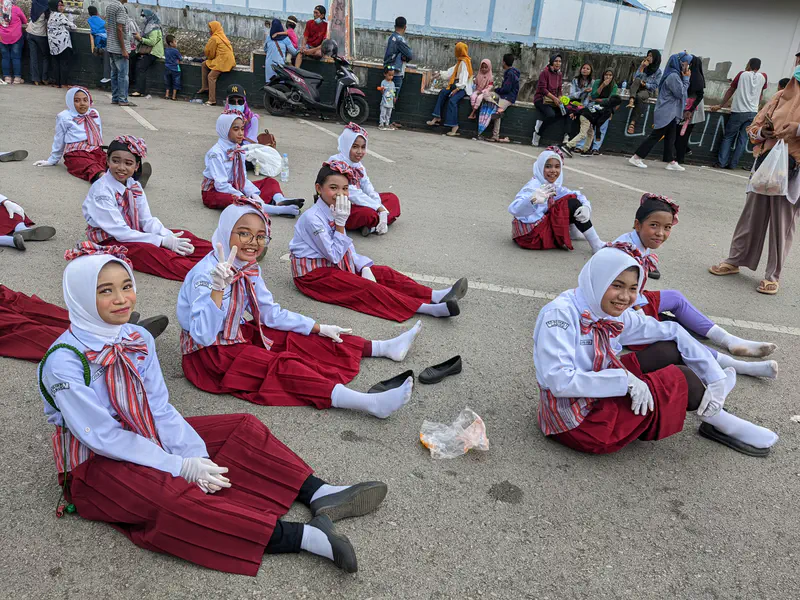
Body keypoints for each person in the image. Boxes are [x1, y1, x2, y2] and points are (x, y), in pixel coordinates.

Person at [40, 244, 389, 575]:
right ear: (82, 296)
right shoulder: (64, 362)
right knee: (171, 499)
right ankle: (305, 537)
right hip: (94, 464)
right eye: (105, 291)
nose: (121, 299)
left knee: (240, 429)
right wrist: (178, 466)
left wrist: (192, 453)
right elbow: (102, 437)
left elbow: (159, 408)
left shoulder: (136, 337)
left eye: (126, 285)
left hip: (145, 429)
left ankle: (318, 493)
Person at [179, 199, 420, 417]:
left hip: (236, 333)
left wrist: (317, 327)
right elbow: (203, 335)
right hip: (210, 355)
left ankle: (381, 348)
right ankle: (367, 403)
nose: (253, 243)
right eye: (243, 234)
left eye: (261, 236)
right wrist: (217, 289)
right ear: (224, 232)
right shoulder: (207, 275)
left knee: (299, 337)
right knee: (281, 367)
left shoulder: (247, 267)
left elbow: (270, 313)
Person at [533, 245, 779, 456]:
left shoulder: (603, 307)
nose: (625, 297)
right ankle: (718, 419)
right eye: (616, 285)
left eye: (632, 288)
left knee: (667, 350)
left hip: (599, 386)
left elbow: (672, 330)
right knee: (681, 378)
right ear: (597, 280)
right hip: (577, 421)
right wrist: (625, 381)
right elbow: (559, 381)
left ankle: (712, 400)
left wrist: (715, 375)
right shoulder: (561, 315)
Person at [612, 196, 778, 380]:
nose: (660, 233)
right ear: (637, 224)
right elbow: (617, 295)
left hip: (631, 301)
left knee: (675, 297)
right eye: (654, 225)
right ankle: (739, 366)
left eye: (667, 228)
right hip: (618, 315)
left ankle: (730, 340)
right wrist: (643, 318)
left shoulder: (637, 243)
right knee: (675, 335)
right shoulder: (626, 252)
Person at [290, 161, 467, 322]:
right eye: (334, 188)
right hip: (313, 276)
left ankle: (435, 295)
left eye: (345, 189)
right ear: (319, 189)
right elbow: (335, 255)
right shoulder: (312, 218)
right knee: (365, 287)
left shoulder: (336, 209)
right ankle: (428, 309)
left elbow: (347, 248)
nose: (340, 194)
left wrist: (363, 266)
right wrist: (341, 224)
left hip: (334, 264)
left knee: (383, 273)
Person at [709, 51, 800, 295]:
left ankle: (773, 276)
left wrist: (797, 129)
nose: (798, 66)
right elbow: (754, 127)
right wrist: (763, 134)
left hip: (793, 170)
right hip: (767, 164)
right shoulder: (780, 96)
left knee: (782, 223)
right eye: (798, 60)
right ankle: (735, 260)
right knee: (751, 216)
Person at [82, 136, 214, 282]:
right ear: (107, 161)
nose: (121, 167)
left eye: (128, 163)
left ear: (137, 166)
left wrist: (167, 235)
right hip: (111, 240)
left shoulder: (134, 185)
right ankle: (209, 274)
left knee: (184, 237)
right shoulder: (101, 191)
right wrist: (162, 242)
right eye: (115, 161)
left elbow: (146, 220)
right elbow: (120, 232)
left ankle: (223, 256)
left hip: (133, 232)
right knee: (152, 253)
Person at [201, 112, 301, 217]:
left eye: (242, 129)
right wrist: (243, 195)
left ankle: (279, 200)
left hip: (235, 185)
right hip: (214, 191)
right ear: (224, 130)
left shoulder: (238, 150)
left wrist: (253, 193)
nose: (240, 133)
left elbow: (242, 178)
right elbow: (220, 185)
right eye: (236, 129)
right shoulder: (215, 153)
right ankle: (276, 210)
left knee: (269, 181)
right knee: (238, 200)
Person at [508, 148, 605, 253]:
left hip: (531, 232)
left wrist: (586, 207)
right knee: (571, 203)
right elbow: (514, 209)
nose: (553, 170)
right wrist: (532, 199)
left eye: (557, 166)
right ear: (540, 167)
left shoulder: (551, 185)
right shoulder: (533, 186)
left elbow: (575, 195)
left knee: (571, 198)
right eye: (548, 166)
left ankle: (574, 232)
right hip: (531, 236)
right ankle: (596, 244)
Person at [328, 123, 400, 236]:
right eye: (355, 146)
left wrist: (378, 204)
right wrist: (379, 208)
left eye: (363, 147)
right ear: (346, 145)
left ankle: (372, 225)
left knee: (392, 199)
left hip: (361, 202)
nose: (360, 151)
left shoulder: (358, 165)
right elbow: (352, 193)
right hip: (342, 207)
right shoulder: (337, 164)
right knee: (367, 214)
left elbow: (367, 186)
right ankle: (374, 224)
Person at [628, 51, 692, 171]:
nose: (687, 66)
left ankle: (671, 161)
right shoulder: (673, 76)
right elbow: (680, 93)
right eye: (685, 63)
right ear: (679, 63)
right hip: (667, 111)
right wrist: (686, 79)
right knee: (656, 135)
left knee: (670, 137)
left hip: (671, 112)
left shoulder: (675, 75)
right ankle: (637, 157)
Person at [33, 87, 107, 183]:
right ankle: (104, 179)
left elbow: (98, 133)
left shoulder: (94, 113)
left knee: (110, 162)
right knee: (89, 166)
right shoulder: (64, 117)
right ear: (70, 102)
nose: (82, 103)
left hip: (94, 150)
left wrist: (99, 149)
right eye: (77, 100)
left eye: (85, 100)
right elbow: (59, 139)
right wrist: (53, 160)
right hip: (75, 153)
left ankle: (129, 177)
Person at [711, 58, 768, 170]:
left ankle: (721, 162)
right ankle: (733, 164)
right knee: (743, 140)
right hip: (753, 112)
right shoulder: (763, 77)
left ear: (749, 64)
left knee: (728, 137)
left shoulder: (742, 74)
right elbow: (760, 95)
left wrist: (721, 105)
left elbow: (731, 90)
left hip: (739, 112)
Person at [426, 42, 473, 137]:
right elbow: (450, 72)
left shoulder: (465, 63)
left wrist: (456, 89)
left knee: (452, 100)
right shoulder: (460, 62)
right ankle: (437, 117)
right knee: (443, 92)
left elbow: (464, 80)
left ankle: (454, 126)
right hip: (455, 85)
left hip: (462, 88)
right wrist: (439, 74)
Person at [674, 55, 706, 165]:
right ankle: (683, 152)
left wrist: (690, 110)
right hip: (686, 108)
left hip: (693, 110)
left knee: (683, 135)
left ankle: (680, 158)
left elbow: (700, 95)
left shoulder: (697, 77)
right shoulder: (686, 74)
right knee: (678, 134)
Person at [532, 53, 567, 147]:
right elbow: (542, 89)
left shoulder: (559, 74)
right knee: (551, 114)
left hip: (552, 101)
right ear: (551, 62)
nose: (558, 63)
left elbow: (559, 89)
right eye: (556, 61)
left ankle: (565, 137)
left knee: (564, 112)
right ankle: (537, 134)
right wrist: (554, 98)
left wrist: (559, 98)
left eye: (560, 61)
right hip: (541, 99)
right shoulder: (545, 72)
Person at [383, 16, 412, 126]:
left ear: (395, 25)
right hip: (397, 73)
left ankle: (388, 120)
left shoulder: (392, 38)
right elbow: (410, 54)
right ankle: (388, 121)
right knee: (392, 97)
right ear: (405, 27)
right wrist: (405, 57)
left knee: (389, 96)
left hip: (389, 70)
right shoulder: (400, 40)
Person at [198, 21, 235, 107]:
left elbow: (209, 52)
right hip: (227, 60)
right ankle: (205, 87)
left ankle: (212, 100)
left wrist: (210, 58)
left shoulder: (214, 38)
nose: (209, 30)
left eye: (210, 29)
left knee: (211, 77)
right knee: (204, 64)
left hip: (222, 61)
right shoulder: (222, 36)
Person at [626, 49, 662, 134]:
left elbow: (655, 86)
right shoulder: (643, 66)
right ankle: (631, 100)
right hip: (637, 87)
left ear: (656, 58)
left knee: (639, 97)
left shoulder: (658, 72)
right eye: (648, 55)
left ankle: (632, 123)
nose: (648, 58)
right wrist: (642, 67)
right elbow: (635, 79)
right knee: (637, 80)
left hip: (647, 90)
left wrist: (645, 84)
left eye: (651, 56)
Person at [486, 53, 520, 143]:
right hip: (504, 96)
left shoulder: (510, 74)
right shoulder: (511, 72)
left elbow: (506, 89)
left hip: (507, 98)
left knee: (497, 112)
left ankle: (495, 136)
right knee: (488, 94)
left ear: (504, 62)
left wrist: (497, 90)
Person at [105, 0, 133, 107]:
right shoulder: (120, 8)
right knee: (123, 75)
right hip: (119, 47)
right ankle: (123, 99)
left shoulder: (109, 6)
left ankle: (115, 97)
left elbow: (107, 26)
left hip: (111, 46)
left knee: (114, 74)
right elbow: (119, 29)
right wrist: (124, 49)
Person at [129, 9, 163, 98]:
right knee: (131, 58)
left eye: (144, 16)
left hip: (153, 52)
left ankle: (139, 90)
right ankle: (131, 83)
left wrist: (140, 39)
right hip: (146, 50)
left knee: (141, 67)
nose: (142, 18)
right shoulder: (147, 26)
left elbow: (152, 42)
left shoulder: (154, 28)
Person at [47, 0, 76, 88]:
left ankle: (57, 82)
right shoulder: (59, 15)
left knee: (56, 64)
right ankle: (63, 83)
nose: (61, 7)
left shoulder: (50, 15)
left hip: (53, 44)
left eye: (62, 5)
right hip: (63, 43)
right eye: (59, 5)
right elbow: (73, 26)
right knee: (64, 63)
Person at [0, 0, 27, 84]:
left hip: (2, 36)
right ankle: (17, 78)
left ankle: (7, 77)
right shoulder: (16, 9)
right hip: (16, 36)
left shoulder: (0, 10)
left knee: (5, 57)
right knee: (16, 57)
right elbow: (25, 21)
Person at [264, 18, 296, 83]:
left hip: (269, 66)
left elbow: (265, 49)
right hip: (280, 66)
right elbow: (294, 52)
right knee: (280, 86)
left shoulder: (268, 38)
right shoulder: (285, 39)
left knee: (270, 85)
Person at [27, 0, 51, 85]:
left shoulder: (34, 4)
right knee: (45, 56)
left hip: (30, 32)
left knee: (33, 57)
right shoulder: (46, 7)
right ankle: (44, 78)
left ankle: (35, 78)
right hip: (41, 34)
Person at [87, 5, 110, 85]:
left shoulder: (89, 20)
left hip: (98, 40)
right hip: (106, 39)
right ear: (97, 12)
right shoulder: (101, 20)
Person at [163, 34, 182, 100]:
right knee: (176, 82)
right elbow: (180, 58)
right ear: (171, 43)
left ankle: (167, 95)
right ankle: (173, 96)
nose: (176, 43)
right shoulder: (176, 51)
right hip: (175, 69)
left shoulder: (166, 50)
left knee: (167, 82)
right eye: (175, 41)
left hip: (167, 67)